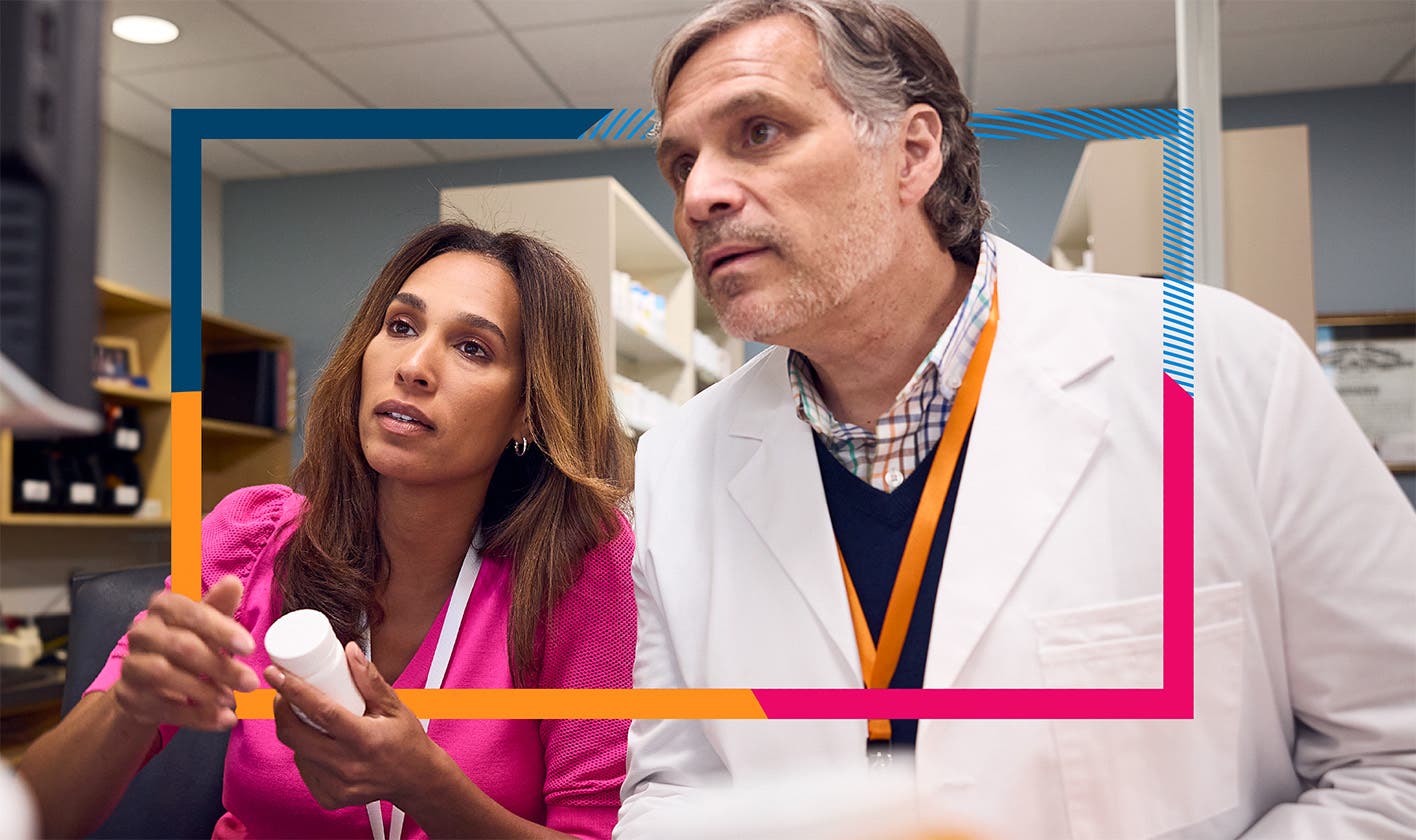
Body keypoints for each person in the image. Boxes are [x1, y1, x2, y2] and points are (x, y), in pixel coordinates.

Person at [617, 1, 1416, 838]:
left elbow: (1395, 758)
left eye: (759, 132)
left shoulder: (1220, 369)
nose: (699, 194)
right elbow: (676, 791)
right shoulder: (676, 464)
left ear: (911, 153)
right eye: (680, 164)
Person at [19, 221, 637, 839]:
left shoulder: (581, 570)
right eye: (401, 326)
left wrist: (426, 787)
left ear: (528, 407)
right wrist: (130, 706)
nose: (414, 366)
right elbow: (35, 819)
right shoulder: (254, 536)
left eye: (473, 347)